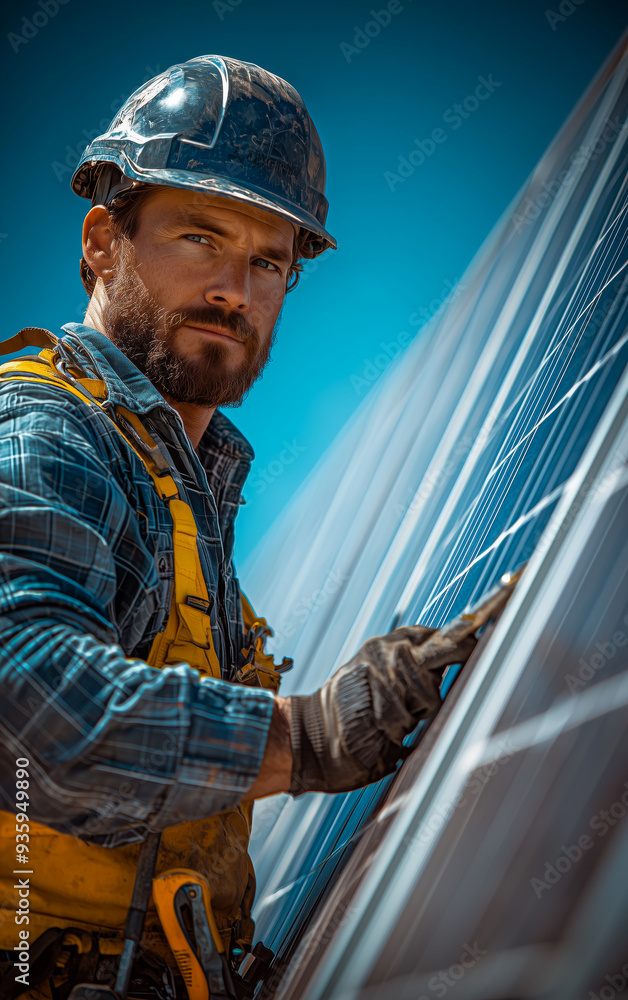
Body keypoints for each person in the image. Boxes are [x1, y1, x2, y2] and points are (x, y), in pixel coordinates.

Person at [0, 55, 476, 1000]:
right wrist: (304, 737)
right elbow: (28, 703)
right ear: (103, 242)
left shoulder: (190, 493)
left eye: (268, 263)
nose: (234, 289)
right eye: (200, 237)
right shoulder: (48, 429)